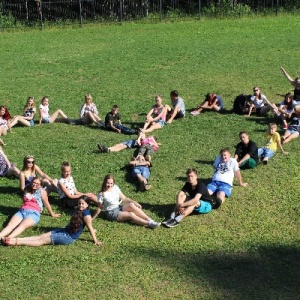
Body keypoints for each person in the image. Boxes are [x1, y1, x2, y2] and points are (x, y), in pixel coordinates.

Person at [1, 195, 103, 247]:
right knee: (41, 236)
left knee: (41, 241)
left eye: (83, 204)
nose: (80, 205)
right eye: (79, 203)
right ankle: (12, 240)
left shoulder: (87, 215)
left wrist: (95, 240)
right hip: (64, 231)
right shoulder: (79, 210)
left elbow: (89, 227)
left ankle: (13, 242)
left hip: (68, 237)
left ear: (87, 205)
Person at [92, 174, 160, 228]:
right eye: (108, 183)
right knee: (131, 215)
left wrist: (134, 202)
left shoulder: (115, 188)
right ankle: (149, 224)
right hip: (111, 213)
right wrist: (92, 218)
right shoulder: (102, 194)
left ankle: (149, 219)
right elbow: (99, 208)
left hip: (118, 207)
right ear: (104, 183)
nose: (109, 185)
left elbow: (124, 198)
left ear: (113, 183)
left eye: (111, 183)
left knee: (131, 205)